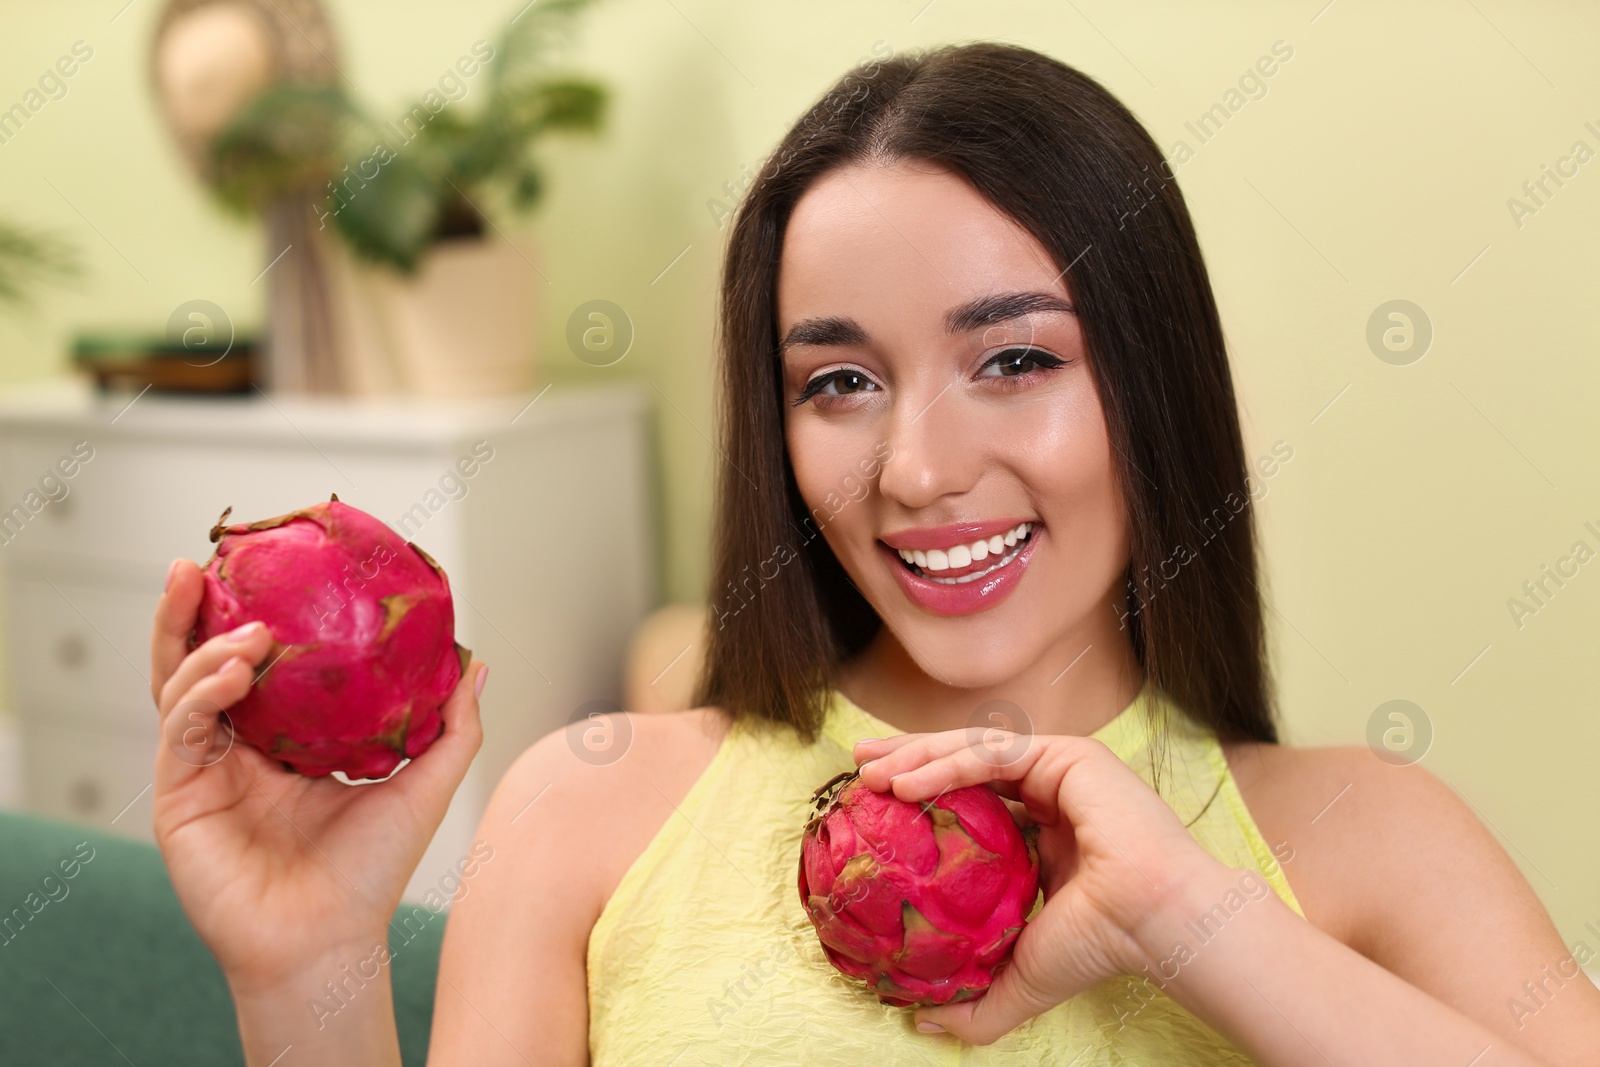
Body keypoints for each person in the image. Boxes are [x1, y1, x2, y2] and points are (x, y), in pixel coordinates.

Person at [147, 41, 1600, 1066]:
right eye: (837, 382)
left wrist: (1192, 920)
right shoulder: (591, 807)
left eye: (1016, 359)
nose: (913, 472)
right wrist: (306, 969)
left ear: (1156, 381)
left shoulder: (1373, 843)